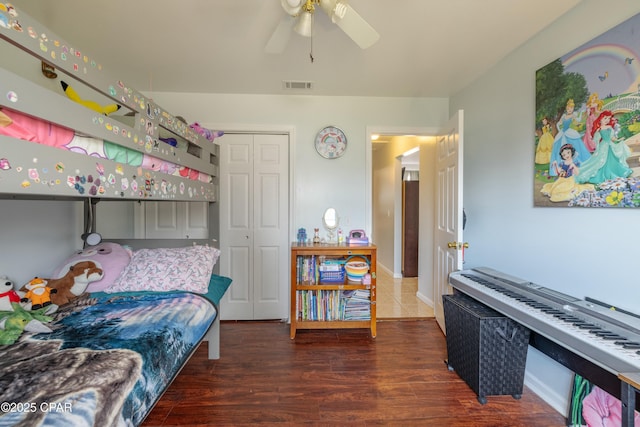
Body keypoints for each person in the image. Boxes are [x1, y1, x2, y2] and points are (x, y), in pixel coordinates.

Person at [575, 110, 633, 185]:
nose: (607, 120)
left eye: (608, 119)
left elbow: (612, 138)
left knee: (613, 159)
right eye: (605, 118)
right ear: (600, 119)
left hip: (610, 145)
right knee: (601, 160)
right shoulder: (599, 129)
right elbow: (596, 139)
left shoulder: (609, 127)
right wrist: (596, 140)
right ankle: (604, 174)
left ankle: (615, 171)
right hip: (603, 146)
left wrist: (618, 140)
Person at [549, 99, 591, 176]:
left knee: (576, 145)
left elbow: (578, 120)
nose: (569, 110)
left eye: (571, 108)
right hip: (563, 132)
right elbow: (559, 123)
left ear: (573, 109)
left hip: (569, 132)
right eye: (568, 108)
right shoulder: (564, 116)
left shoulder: (573, 115)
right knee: (558, 146)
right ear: (566, 108)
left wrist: (581, 114)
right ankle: (561, 167)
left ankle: (573, 166)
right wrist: (559, 129)